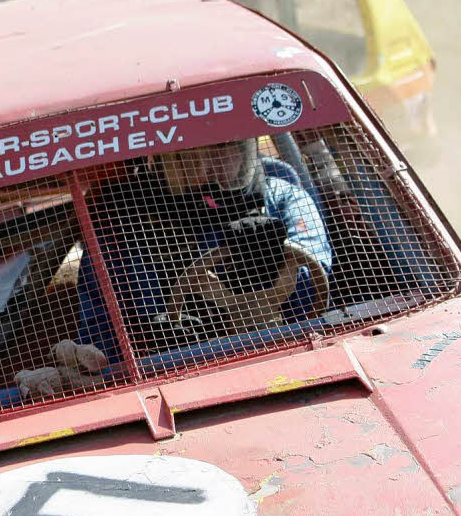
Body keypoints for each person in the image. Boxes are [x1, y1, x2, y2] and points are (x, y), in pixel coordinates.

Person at [75, 137, 333, 365]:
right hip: (174, 366)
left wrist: (266, 267)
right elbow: (99, 325)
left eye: (222, 149)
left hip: (292, 347)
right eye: (186, 157)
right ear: (156, 163)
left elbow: (314, 270)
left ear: (246, 149)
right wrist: (149, 334)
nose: (205, 169)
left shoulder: (284, 197)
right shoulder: (122, 225)